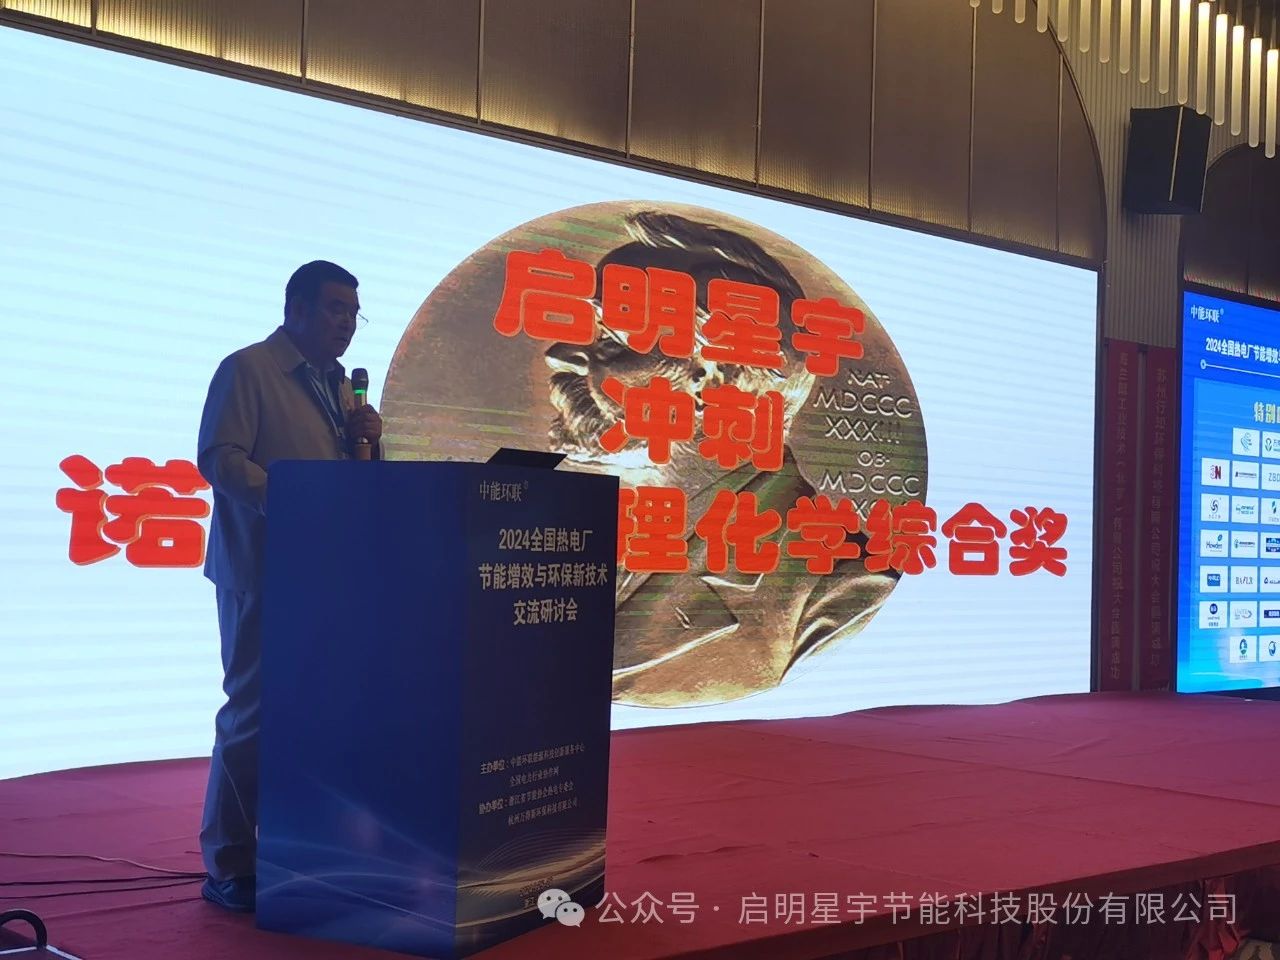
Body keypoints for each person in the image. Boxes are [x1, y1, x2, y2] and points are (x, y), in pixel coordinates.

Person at [543, 212, 902, 707]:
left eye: (610, 340)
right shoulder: (578, 535)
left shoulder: (839, 591)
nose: (560, 354)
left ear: (712, 377)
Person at [195, 260, 382, 911]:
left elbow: (354, 484)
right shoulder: (248, 369)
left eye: (354, 314)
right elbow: (218, 458)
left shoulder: (342, 388)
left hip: (327, 574)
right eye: (335, 309)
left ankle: (299, 847)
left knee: (317, 712)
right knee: (251, 714)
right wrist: (293, 498)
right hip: (260, 570)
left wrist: (371, 443)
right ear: (295, 309)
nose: (346, 324)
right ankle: (229, 864)